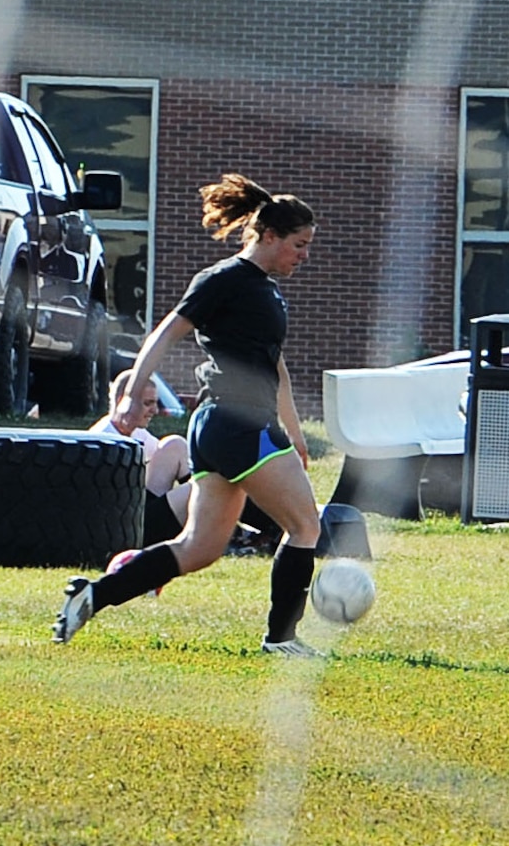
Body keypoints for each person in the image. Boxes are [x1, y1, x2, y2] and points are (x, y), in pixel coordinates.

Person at [54, 174, 325, 656]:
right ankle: (281, 639)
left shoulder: (265, 290)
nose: (304, 256)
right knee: (305, 527)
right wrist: (132, 391)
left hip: (230, 426)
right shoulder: (223, 279)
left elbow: (275, 367)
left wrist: (296, 435)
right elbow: (164, 334)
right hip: (237, 422)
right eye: (298, 245)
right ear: (267, 236)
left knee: (199, 548)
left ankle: (93, 595)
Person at [90, 368, 193, 545]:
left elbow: (164, 458)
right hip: (125, 528)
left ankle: (230, 525)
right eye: (147, 403)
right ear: (124, 402)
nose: (155, 410)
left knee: (175, 445)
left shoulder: (138, 432)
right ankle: (229, 533)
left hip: (139, 509)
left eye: (155, 403)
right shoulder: (101, 441)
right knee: (196, 489)